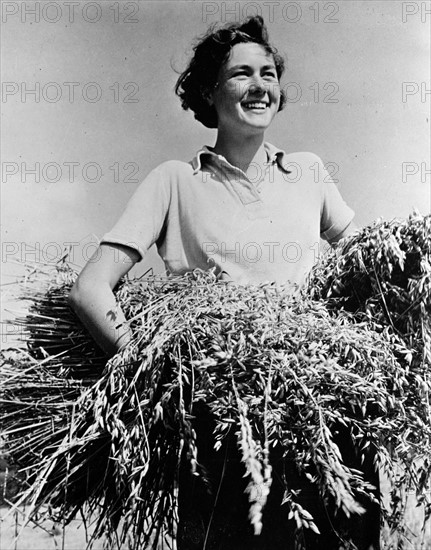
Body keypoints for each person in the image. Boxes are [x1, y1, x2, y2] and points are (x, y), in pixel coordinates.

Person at [69, 16, 379, 550]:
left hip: (325, 415)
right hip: (222, 421)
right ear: (209, 92)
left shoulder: (307, 172)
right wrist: (149, 365)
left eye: (268, 73)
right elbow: (90, 288)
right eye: (241, 74)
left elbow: (369, 267)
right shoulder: (174, 181)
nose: (260, 86)